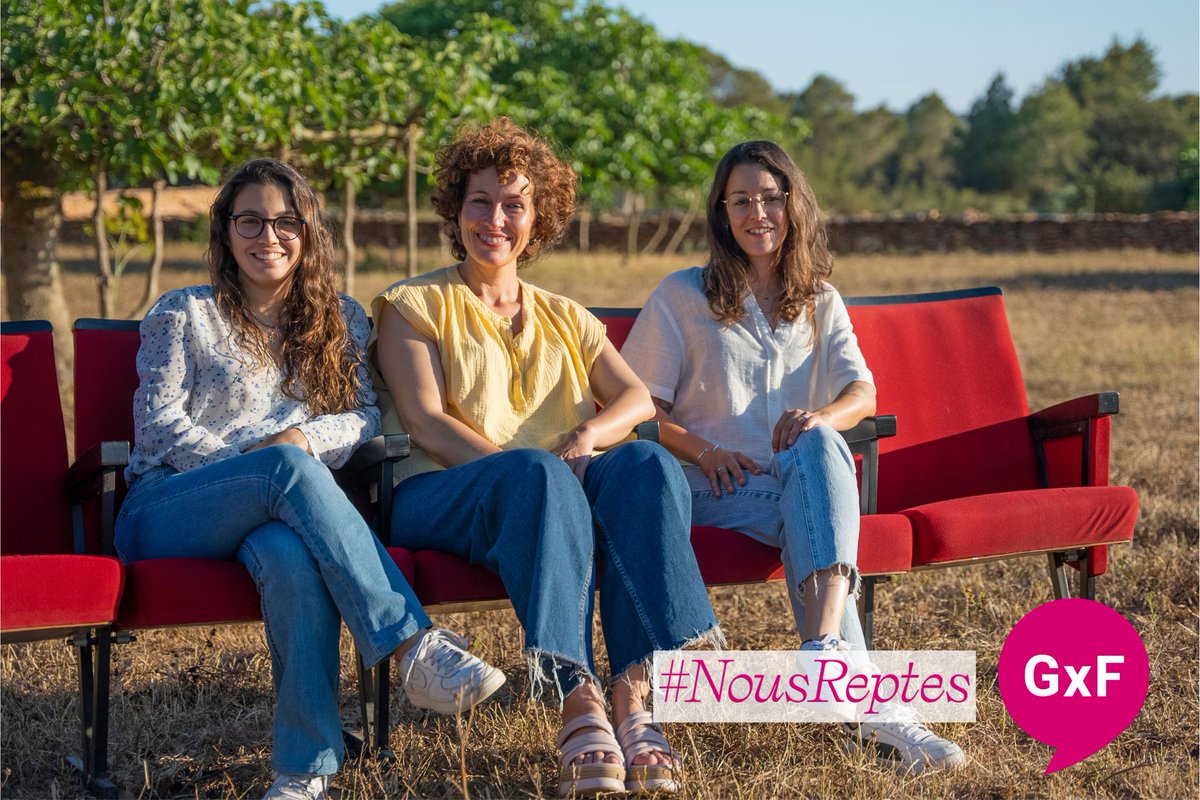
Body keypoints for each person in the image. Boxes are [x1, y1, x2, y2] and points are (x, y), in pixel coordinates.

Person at [115, 158, 505, 800]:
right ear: (225, 231)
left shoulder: (342, 319)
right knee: (284, 469)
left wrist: (298, 441)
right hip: (171, 507)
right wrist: (264, 464)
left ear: (308, 232)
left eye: (285, 221)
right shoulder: (183, 313)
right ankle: (411, 647)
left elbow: (358, 416)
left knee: (291, 557)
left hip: (281, 516)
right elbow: (159, 430)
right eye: (250, 220)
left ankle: (303, 770)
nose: (268, 236)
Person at [370, 118, 720, 797]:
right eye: (479, 201)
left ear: (539, 218)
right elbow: (425, 420)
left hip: (555, 485)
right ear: (455, 208)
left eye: (514, 204)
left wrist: (587, 438)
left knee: (646, 466)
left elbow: (637, 399)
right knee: (534, 474)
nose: (495, 219)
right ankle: (576, 694)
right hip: (442, 494)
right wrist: (529, 471)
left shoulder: (566, 314)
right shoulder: (412, 305)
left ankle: (632, 694)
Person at [621, 140, 965, 775]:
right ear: (722, 214)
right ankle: (864, 692)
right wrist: (706, 449)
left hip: (794, 484)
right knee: (817, 500)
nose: (758, 212)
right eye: (742, 200)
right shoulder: (682, 295)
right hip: (707, 487)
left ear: (793, 205)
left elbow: (862, 392)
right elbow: (637, 405)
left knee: (822, 442)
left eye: (771, 198)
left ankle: (826, 646)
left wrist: (820, 418)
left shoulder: (819, 298)